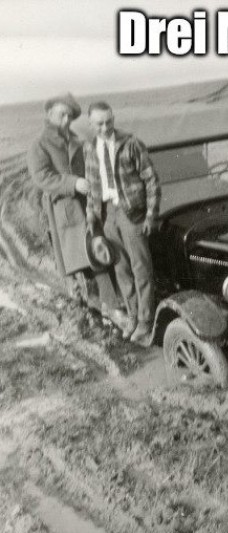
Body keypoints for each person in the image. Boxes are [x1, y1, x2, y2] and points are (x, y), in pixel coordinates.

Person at [27, 93, 126, 326]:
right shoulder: (39, 144)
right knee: (91, 256)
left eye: (70, 116)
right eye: (62, 115)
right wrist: (73, 183)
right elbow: (42, 177)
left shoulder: (77, 139)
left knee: (97, 252)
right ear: (49, 114)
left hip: (87, 204)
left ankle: (104, 302)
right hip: (65, 208)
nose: (66, 120)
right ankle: (109, 307)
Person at [84, 102, 161, 345]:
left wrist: (150, 215)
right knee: (121, 268)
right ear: (91, 124)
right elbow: (91, 185)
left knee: (141, 268)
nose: (105, 127)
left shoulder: (131, 144)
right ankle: (132, 316)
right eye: (99, 123)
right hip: (107, 214)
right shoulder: (90, 148)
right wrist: (91, 216)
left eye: (109, 121)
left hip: (132, 214)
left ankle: (146, 321)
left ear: (113, 118)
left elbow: (151, 181)